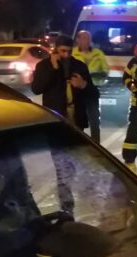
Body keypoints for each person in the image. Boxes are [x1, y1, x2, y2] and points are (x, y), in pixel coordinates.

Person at [30, 36, 99, 212]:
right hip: (56, 122)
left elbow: (94, 93)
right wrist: (53, 69)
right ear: (55, 49)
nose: (66, 55)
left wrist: (83, 85)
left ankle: (69, 192)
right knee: (60, 164)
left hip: (76, 121)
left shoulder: (79, 66)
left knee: (72, 161)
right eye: (62, 51)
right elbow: (36, 89)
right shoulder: (44, 66)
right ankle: (66, 204)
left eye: (69, 51)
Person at [72, 30, 108, 141]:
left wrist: (96, 74)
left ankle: (96, 144)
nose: (87, 41)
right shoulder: (73, 53)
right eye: (84, 38)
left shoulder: (98, 53)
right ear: (78, 40)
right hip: (77, 92)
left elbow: (105, 70)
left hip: (92, 90)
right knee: (77, 120)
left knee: (94, 120)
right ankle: (77, 143)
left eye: (88, 38)